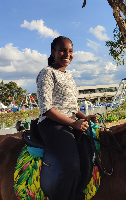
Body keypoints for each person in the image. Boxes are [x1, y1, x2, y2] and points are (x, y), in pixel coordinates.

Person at [36, 36, 97, 200]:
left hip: (71, 124)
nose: (67, 54)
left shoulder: (69, 76)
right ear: (53, 52)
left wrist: (85, 118)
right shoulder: (46, 73)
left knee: (88, 159)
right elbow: (46, 108)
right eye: (62, 50)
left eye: (70, 51)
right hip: (52, 125)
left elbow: (72, 106)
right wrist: (73, 123)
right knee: (70, 166)